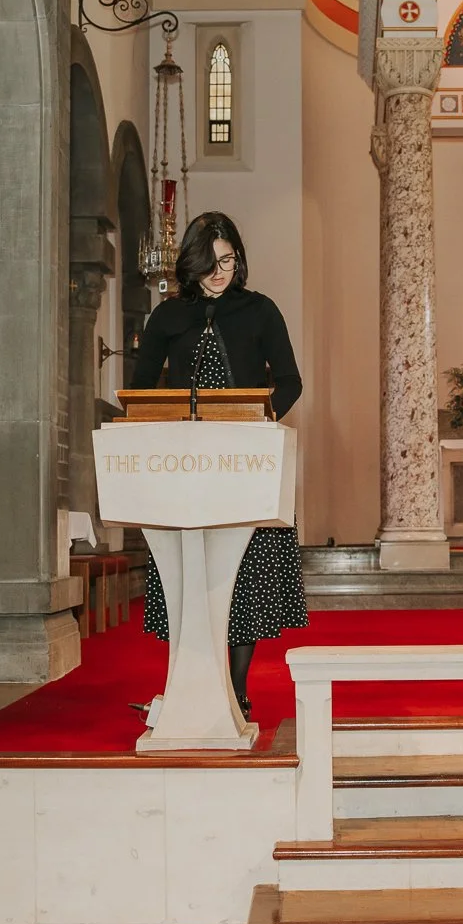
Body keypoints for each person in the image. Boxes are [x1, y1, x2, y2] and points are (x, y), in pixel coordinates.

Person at [129, 211, 307, 719]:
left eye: (228, 260)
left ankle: (236, 688)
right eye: (211, 262)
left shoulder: (260, 310)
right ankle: (190, 678)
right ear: (192, 262)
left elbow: (291, 380)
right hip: (186, 462)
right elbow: (142, 390)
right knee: (191, 570)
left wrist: (265, 418)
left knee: (245, 574)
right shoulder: (167, 316)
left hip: (245, 460)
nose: (220, 272)